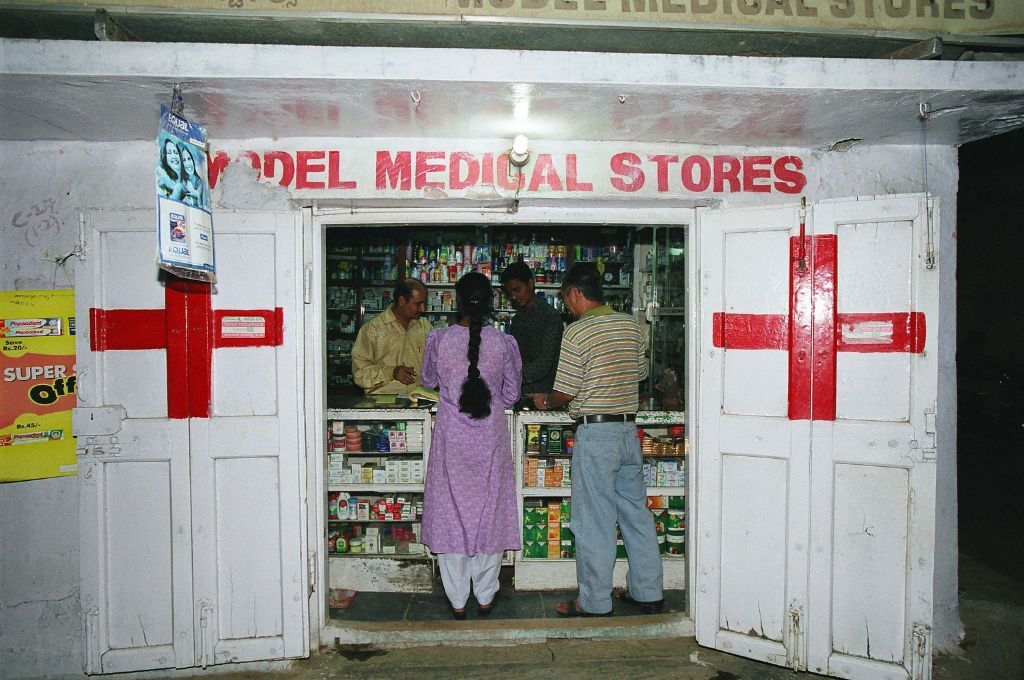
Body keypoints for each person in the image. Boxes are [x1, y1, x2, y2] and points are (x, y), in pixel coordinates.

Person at [532, 263, 663, 617]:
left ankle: (593, 601)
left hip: (597, 436)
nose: (566, 306)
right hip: (627, 433)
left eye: (565, 298)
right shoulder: (632, 326)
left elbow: (566, 389)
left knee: (594, 522)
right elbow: (639, 374)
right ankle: (649, 592)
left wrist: (544, 400)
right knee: (636, 514)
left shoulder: (577, 332)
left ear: (576, 293)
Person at [420, 272, 523, 619]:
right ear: (491, 303)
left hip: (452, 439)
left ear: (457, 301)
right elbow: (511, 394)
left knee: (451, 514)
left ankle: (458, 600)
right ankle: (485, 596)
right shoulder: (504, 343)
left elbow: (428, 381)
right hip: (490, 439)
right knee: (490, 513)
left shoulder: (438, 339)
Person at [351, 278, 430, 396]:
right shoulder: (373, 329)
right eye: (418, 304)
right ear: (402, 300)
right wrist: (391, 372)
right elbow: (359, 374)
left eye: (424, 303)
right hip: (383, 407)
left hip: (418, 403)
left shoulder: (424, 327)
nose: (422, 309)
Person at [500, 261, 564, 400]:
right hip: (520, 394)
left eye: (517, 290)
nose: (514, 297)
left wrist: (510, 374)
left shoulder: (550, 317)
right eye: (510, 293)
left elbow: (544, 363)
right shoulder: (517, 320)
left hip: (544, 396)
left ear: (530, 284)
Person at [179, 144, 208, 210]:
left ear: (192, 160)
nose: (188, 163)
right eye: (184, 160)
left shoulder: (199, 181)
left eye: (189, 159)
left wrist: (196, 194)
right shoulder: (182, 183)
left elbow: (202, 208)